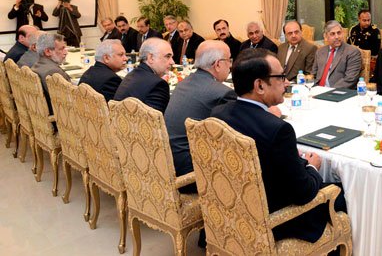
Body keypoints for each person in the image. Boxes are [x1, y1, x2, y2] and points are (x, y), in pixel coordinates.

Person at [210, 48, 346, 243]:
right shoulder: (278, 130)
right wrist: (311, 167)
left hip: (230, 211)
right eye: (281, 77)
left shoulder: (217, 114)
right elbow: (304, 193)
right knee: (340, 192)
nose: (287, 82)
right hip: (272, 220)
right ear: (260, 86)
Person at [165, 40, 236, 192]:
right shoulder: (222, 93)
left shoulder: (185, 82)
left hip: (168, 163)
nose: (231, 65)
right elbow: (232, 138)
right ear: (217, 64)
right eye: (229, 60)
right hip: (190, 173)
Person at [113, 38, 173, 113]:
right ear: (151, 58)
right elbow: (157, 122)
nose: (172, 62)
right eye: (167, 56)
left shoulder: (131, 75)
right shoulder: (158, 84)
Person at [312, 20, 362, 89]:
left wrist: (328, 91)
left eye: (339, 33)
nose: (337, 37)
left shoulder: (352, 52)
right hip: (318, 90)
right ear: (325, 36)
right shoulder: (320, 51)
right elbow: (313, 75)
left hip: (337, 92)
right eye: (332, 34)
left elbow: (350, 79)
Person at [31, 33, 70, 114]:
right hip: (61, 118)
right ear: (48, 52)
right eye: (61, 49)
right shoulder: (53, 72)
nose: (66, 52)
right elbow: (67, 101)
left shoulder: (37, 65)